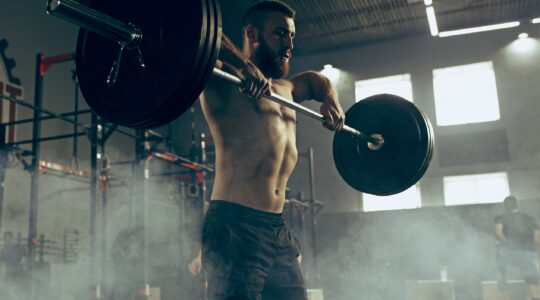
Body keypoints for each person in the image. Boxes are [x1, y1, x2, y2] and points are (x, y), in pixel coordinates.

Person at [197, 1, 345, 299]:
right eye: (280, 34)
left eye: (291, 35)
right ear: (252, 33)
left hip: (277, 229)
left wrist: (330, 98)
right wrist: (243, 64)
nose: (289, 44)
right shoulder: (222, 79)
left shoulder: (287, 88)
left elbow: (318, 81)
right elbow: (197, 37)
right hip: (234, 227)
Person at [495, 195, 540, 300]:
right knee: (531, 272)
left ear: (504, 206)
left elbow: (499, 233)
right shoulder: (530, 218)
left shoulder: (500, 218)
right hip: (528, 253)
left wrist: (507, 244)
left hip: (511, 253)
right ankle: (533, 296)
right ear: (517, 205)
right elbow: (537, 239)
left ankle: (503, 294)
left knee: (500, 266)